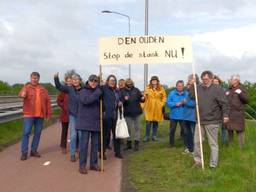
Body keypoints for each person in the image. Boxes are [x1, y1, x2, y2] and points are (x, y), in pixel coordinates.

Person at [190, 71, 229, 168]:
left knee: (213, 144)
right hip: (200, 121)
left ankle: (213, 164)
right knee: (197, 142)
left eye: (207, 79)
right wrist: (192, 85)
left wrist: (226, 115)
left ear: (211, 79)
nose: (205, 80)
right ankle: (198, 162)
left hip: (212, 121)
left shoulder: (217, 89)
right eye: (203, 79)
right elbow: (192, 96)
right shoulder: (198, 88)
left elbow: (224, 103)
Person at [19, 72, 52, 161]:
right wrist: (23, 94)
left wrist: (48, 114)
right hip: (29, 115)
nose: (34, 79)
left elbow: (48, 102)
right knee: (26, 133)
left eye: (36, 78)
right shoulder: (26, 87)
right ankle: (24, 153)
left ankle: (33, 150)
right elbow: (21, 94)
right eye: (33, 78)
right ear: (30, 78)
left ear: (38, 79)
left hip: (40, 115)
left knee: (37, 133)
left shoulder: (43, 90)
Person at [76, 75, 102, 174]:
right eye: (92, 80)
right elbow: (86, 101)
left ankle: (93, 164)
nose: (93, 82)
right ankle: (82, 166)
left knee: (95, 145)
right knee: (84, 145)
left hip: (95, 121)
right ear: (88, 81)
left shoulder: (99, 91)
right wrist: (98, 92)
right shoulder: (82, 91)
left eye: (96, 81)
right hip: (85, 122)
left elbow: (102, 105)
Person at [54, 71, 82, 162]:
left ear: (79, 80)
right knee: (73, 135)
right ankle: (72, 154)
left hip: (82, 116)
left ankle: (82, 151)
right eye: (73, 79)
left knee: (81, 135)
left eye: (76, 79)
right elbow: (59, 87)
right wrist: (56, 78)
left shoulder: (85, 89)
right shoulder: (69, 89)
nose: (75, 81)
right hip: (73, 115)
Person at [101, 75, 123, 159]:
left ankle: (117, 152)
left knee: (116, 135)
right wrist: (100, 81)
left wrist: (120, 102)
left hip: (115, 116)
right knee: (105, 135)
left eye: (114, 80)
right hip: (106, 115)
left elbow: (120, 99)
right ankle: (102, 152)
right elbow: (98, 90)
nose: (112, 82)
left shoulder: (117, 91)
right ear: (107, 81)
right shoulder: (104, 88)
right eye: (111, 80)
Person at [120, 78, 144, 151]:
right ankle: (129, 144)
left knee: (137, 128)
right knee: (129, 129)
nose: (129, 84)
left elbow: (141, 99)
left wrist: (143, 98)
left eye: (131, 83)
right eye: (128, 83)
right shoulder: (122, 91)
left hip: (137, 112)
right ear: (126, 83)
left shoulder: (136, 90)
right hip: (128, 113)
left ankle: (136, 144)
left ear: (132, 83)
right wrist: (124, 99)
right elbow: (120, 102)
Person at [226, 74, 249, 148]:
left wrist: (241, 93)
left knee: (240, 131)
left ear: (236, 81)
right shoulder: (229, 89)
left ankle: (241, 148)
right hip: (229, 114)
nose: (230, 81)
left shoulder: (242, 88)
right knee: (230, 131)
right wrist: (226, 94)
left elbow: (247, 100)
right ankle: (231, 147)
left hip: (238, 115)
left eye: (231, 79)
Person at [142, 76, 166, 142]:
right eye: (153, 80)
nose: (154, 81)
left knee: (155, 122)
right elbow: (144, 97)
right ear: (151, 81)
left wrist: (162, 104)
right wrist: (142, 106)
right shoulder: (148, 88)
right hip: (149, 107)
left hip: (158, 107)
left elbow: (164, 97)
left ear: (157, 81)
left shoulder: (161, 88)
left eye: (155, 80)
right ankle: (147, 136)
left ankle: (154, 136)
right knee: (148, 122)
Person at [166, 80, 187, 148]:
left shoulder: (186, 94)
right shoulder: (172, 93)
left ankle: (186, 145)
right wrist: (175, 104)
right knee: (172, 131)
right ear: (176, 86)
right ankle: (171, 144)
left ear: (183, 86)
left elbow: (189, 102)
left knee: (184, 131)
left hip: (183, 116)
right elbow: (168, 103)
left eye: (181, 86)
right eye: (178, 86)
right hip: (173, 116)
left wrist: (185, 102)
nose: (180, 87)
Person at [182, 74, 198, 154]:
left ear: (194, 80)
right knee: (187, 133)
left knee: (193, 134)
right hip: (186, 116)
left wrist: (185, 102)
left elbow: (194, 103)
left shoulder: (196, 90)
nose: (188, 80)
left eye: (189, 79)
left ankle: (195, 150)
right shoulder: (188, 90)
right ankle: (190, 148)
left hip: (192, 116)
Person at [57, 72, 72, 154]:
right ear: (66, 82)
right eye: (68, 81)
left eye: (71, 81)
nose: (69, 82)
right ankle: (63, 146)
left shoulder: (74, 90)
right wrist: (64, 107)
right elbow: (59, 101)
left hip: (74, 114)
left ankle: (76, 146)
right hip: (65, 115)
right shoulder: (63, 91)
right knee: (64, 131)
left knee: (75, 131)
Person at [213, 75, 228, 145]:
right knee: (214, 128)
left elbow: (226, 102)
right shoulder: (210, 90)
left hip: (223, 111)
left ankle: (223, 143)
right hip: (214, 112)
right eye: (214, 82)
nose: (215, 83)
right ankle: (214, 142)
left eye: (217, 81)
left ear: (219, 82)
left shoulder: (224, 90)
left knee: (224, 128)